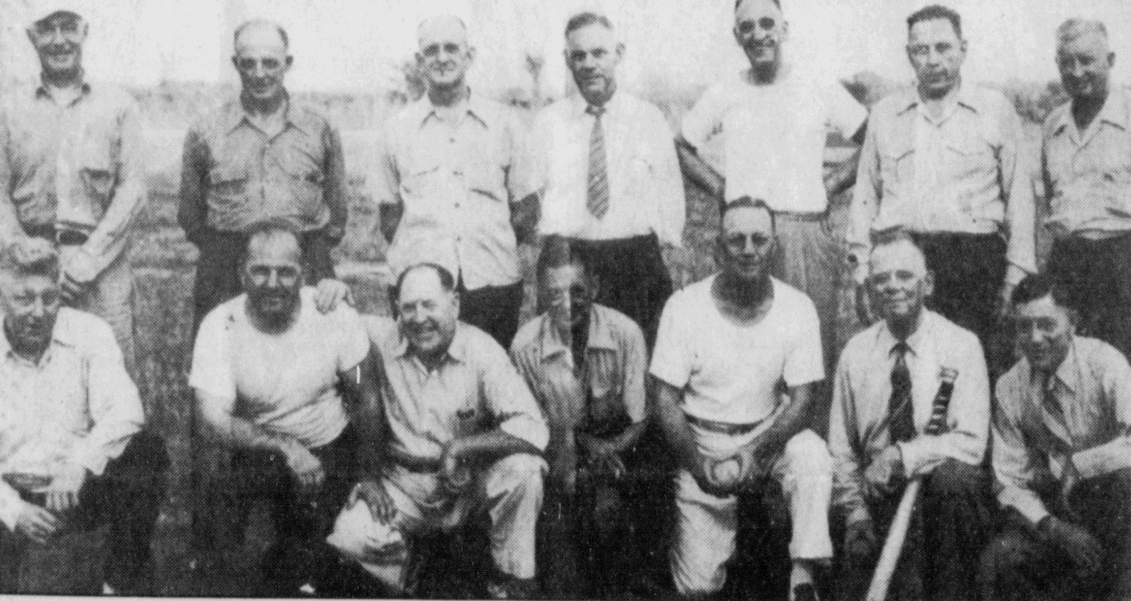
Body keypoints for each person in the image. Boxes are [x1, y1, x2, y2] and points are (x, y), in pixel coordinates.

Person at [326, 263, 548, 600]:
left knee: (525, 471)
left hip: (464, 481)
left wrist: (461, 447)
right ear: (396, 309)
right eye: (409, 307)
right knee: (351, 536)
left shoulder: (482, 350)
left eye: (430, 305)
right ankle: (411, 566)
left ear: (455, 304)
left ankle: (509, 577)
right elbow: (336, 321)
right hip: (402, 481)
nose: (419, 318)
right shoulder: (378, 339)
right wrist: (333, 292)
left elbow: (532, 426)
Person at [651, 197, 832, 601]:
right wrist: (698, 467)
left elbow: (804, 399)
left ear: (774, 247)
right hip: (702, 442)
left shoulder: (798, 308)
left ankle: (804, 574)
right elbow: (664, 398)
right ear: (718, 248)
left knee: (811, 455)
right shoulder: (684, 307)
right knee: (696, 588)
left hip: (767, 436)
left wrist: (757, 450)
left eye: (759, 239)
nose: (748, 249)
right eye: (736, 240)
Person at [189, 223, 380, 595]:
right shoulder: (219, 325)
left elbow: (365, 397)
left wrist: (369, 475)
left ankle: (299, 556)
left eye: (285, 271)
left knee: (328, 567)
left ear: (303, 275)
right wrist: (286, 448)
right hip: (265, 451)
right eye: (260, 270)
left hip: (330, 445)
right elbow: (210, 420)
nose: (272, 283)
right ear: (242, 273)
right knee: (221, 499)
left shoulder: (334, 316)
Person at [678, 0, 867, 374]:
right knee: (748, 346)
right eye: (746, 27)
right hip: (745, 236)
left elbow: (872, 140)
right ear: (736, 36)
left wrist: (830, 183)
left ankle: (812, 433)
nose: (758, 34)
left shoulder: (817, 85)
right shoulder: (725, 90)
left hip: (804, 233)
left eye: (767, 23)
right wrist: (720, 189)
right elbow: (681, 146)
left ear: (784, 28)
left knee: (811, 352)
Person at [847, 4, 1035, 368]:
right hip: (903, 259)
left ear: (963, 49)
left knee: (977, 371)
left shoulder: (995, 110)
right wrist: (861, 271)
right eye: (921, 50)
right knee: (905, 368)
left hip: (975, 265)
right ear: (908, 55)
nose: (933, 60)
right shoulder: (886, 114)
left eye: (943, 48)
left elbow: (1021, 202)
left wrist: (1015, 278)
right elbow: (865, 197)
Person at [829, 233, 992, 601]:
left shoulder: (961, 345)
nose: (893, 287)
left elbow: (972, 442)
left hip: (938, 502)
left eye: (905, 276)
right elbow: (841, 448)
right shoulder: (855, 353)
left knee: (954, 482)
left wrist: (902, 456)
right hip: (875, 499)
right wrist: (856, 513)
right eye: (881, 279)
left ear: (928, 283)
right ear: (870, 288)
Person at [0, 239, 166, 595]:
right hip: (9, 493)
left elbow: (126, 409)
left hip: (74, 488)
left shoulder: (89, 331)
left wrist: (80, 463)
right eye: (23, 298)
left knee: (146, 452)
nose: (38, 311)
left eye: (49, 297)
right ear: (1, 297)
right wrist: (13, 511)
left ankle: (119, 581)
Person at [0, 0, 147, 372]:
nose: (59, 40)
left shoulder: (119, 106)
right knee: (23, 372)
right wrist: (21, 247)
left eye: (69, 26)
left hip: (100, 269)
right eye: (47, 28)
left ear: (85, 31)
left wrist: (86, 261)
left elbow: (132, 191)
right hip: (26, 265)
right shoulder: (8, 108)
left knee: (111, 373)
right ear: (32, 36)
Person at [376, 15, 537, 348]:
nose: (442, 57)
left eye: (451, 48)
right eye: (431, 50)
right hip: (420, 289)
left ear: (469, 56)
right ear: (419, 62)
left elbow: (525, 210)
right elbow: (390, 218)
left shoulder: (504, 123)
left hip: (493, 284)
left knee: (490, 381)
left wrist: (487, 242)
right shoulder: (396, 129)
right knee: (421, 383)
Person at [179, 19, 347, 332]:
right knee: (218, 366)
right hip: (225, 267)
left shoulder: (319, 127)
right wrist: (229, 252)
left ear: (288, 63)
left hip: (304, 261)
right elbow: (190, 216)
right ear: (235, 64)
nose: (259, 73)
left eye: (270, 63)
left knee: (318, 361)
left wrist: (302, 251)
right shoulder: (206, 130)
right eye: (249, 63)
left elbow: (337, 215)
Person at [530, 11, 684, 346]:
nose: (588, 64)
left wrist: (659, 251)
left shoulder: (648, 119)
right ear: (567, 60)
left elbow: (671, 195)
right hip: (569, 261)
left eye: (599, 53)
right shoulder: (548, 123)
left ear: (618, 53)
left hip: (634, 262)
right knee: (567, 367)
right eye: (578, 55)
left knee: (638, 361)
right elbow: (533, 197)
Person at [510, 236, 649, 598]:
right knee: (561, 522)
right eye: (554, 295)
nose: (567, 304)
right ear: (539, 293)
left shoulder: (626, 334)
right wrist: (583, 450)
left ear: (596, 286)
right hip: (557, 452)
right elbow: (532, 428)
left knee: (612, 512)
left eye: (577, 291)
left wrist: (609, 450)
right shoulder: (525, 347)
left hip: (618, 449)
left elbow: (639, 417)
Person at [979, 274, 1131, 601]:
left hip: (1110, 506)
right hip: (1053, 515)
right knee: (999, 558)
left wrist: (1080, 465)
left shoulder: (1105, 364)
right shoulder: (1010, 386)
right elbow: (1009, 482)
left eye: (1047, 324)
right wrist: (1056, 530)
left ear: (1072, 323)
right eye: (1024, 327)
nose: (1034, 338)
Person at [1041, 19, 1131, 361]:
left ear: (1110, 59)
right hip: (1067, 263)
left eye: (1087, 60)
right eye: (1067, 62)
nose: (1076, 72)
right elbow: (1052, 197)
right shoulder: (1053, 125)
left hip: (1122, 261)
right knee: (1069, 365)